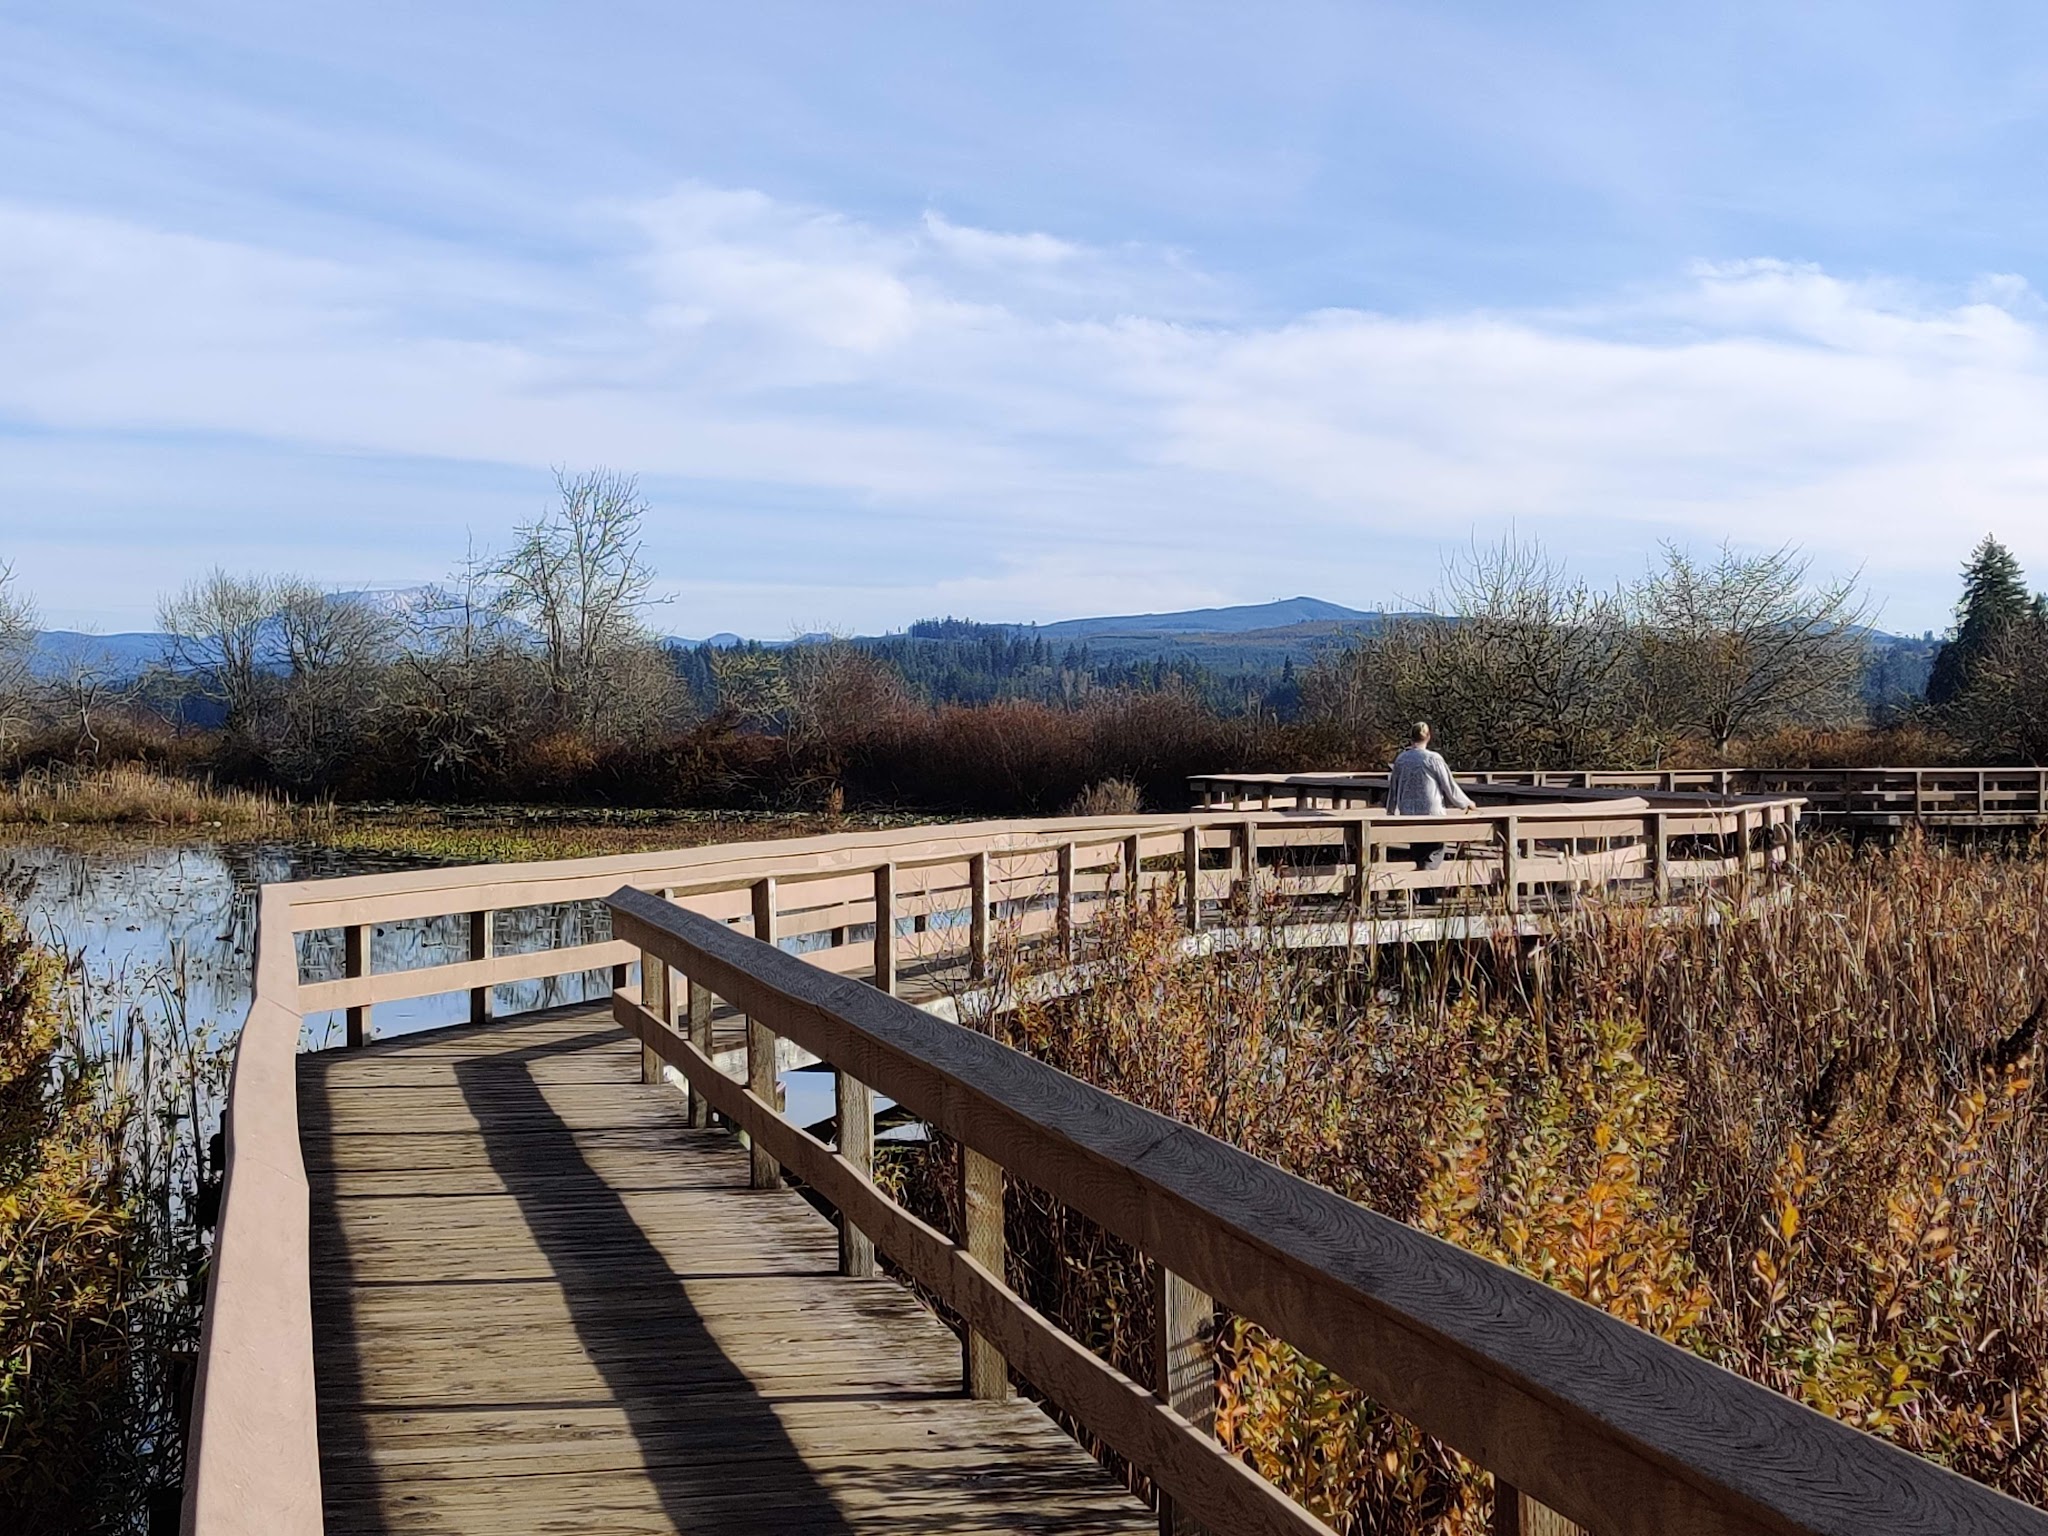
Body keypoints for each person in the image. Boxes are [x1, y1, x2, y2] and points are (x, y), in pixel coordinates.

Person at [1383, 721, 1474, 872]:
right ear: (1429, 737)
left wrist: (1391, 812)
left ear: (1411, 737)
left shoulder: (1401, 759)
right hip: (1432, 814)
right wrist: (1465, 803)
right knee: (1434, 854)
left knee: (1419, 853)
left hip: (1409, 815)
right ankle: (1428, 890)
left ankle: (1423, 891)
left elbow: (1393, 788)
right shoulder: (1433, 759)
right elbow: (1449, 786)